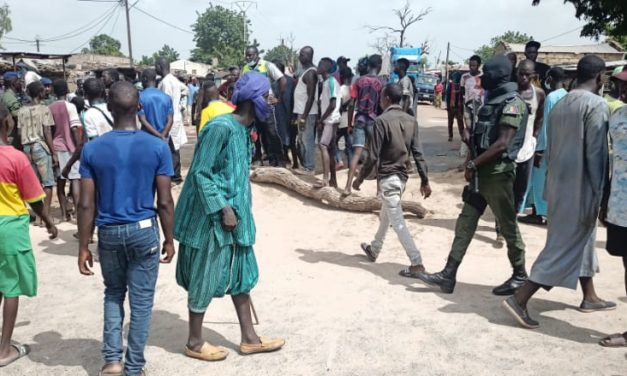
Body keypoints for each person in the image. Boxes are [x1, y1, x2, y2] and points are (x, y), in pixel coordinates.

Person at [174, 72, 285, 362]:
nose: (270, 103)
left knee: (242, 274)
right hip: (213, 219)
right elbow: (200, 173)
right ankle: (195, 341)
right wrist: (223, 208)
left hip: (238, 217)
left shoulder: (245, 131)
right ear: (253, 100)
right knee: (205, 274)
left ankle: (249, 338)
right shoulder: (220, 128)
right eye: (267, 98)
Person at [504, 55, 616, 329]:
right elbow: (596, 155)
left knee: (579, 238)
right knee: (564, 246)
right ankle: (520, 298)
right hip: (580, 187)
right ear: (600, 77)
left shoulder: (561, 102)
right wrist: (602, 195)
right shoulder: (597, 105)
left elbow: (550, 147)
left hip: (557, 185)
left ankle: (589, 296)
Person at [77, 81, 175, 376]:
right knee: (142, 303)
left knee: (113, 293)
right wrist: (170, 239)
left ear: (109, 108)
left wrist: (83, 245)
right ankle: (134, 367)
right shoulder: (158, 147)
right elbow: (166, 201)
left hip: (108, 231)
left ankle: (112, 361)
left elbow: (85, 205)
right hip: (144, 230)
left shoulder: (92, 150)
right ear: (140, 108)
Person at [417, 55, 528, 296]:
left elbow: (502, 144)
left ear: (498, 76)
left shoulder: (512, 103)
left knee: (508, 226)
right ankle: (448, 275)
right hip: (482, 175)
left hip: (497, 175)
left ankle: (520, 275)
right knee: (465, 222)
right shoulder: (494, 100)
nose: (481, 77)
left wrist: (473, 165)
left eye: (486, 73)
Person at [0, 103, 58, 368]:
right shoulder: (14, 158)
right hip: (10, 228)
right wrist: (48, 221)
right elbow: (35, 198)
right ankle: (4, 351)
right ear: (8, 123)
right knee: (10, 287)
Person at [355, 83, 431, 277]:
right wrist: (425, 180)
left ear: (387, 98)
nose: (380, 100)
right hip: (402, 178)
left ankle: (417, 262)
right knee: (386, 215)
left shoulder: (381, 121)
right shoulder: (410, 120)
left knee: (397, 221)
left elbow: (372, 156)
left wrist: (359, 179)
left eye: (381, 97)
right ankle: (375, 248)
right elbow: (418, 153)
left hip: (389, 177)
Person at [599, 69, 627, 348]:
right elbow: (611, 159)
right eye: (621, 84)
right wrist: (605, 199)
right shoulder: (617, 116)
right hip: (620, 204)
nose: (622, 90)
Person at [519, 67, 567, 225]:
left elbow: (545, 124)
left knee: (539, 182)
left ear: (550, 79)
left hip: (546, 147)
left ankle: (539, 213)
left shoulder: (551, 97)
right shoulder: (567, 96)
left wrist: (539, 150)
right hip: (561, 146)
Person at [343, 54, 385, 195]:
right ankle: (379, 191)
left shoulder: (359, 81)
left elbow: (351, 104)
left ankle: (347, 187)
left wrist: (350, 124)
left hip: (360, 120)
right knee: (378, 156)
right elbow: (383, 105)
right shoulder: (381, 83)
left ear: (368, 66)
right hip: (374, 121)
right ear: (379, 66)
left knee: (356, 154)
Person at [16, 81, 56, 225]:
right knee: (48, 183)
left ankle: (38, 217)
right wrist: (54, 153)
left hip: (27, 148)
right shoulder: (44, 109)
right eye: (43, 90)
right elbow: (47, 132)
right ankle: (46, 218)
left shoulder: (21, 110)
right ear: (40, 92)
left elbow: (20, 133)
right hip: (40, 147)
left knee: (35, 183)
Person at [242, 46, 287, 167]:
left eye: (250, 55)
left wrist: (278, 98)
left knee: (271, 132)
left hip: (266, 105)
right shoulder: (245, 68)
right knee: (255, 132)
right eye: (247, 55)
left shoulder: (267, 65)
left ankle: (278, 158)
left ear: (257, 54)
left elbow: (282, 79)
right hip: (252, 106)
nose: (248, 57)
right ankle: (257, 158)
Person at [512, 60, 545, 213]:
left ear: (533, 75)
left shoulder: (538, 94)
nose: (523, 78)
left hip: (527, 149)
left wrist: (534, 139)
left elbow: (539, 118)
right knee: (507, 189)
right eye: (521, 74)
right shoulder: (511, 92)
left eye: (527, 75)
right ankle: (502, 226)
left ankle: (512, 219)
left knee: (521, 189)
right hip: (508, 149)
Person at [49, 79, 82, 222]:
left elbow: (49, 130)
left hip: (57, 147)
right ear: (67, 90)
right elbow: (75, 128)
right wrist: (78, 145)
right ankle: (77, 213)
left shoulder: (50, 107)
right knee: (75, 179)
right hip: (71, 147)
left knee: (60, 182)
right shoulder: (71, 107)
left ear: (54, 92)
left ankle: (63, 215)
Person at [156, 57, 188, 185]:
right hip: (175, 117)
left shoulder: (166, 82)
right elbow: (185, 90)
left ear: (159, 66)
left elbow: (165, 102)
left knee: (172, 148)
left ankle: (175, 176)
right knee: (173, 148)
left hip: (170, 119)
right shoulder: (173, 80)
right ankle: (174, 174)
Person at [314, 58, 341, 188]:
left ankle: (325, 179)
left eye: (320, 64)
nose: (318, 66)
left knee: (323, 145)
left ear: (326, 67)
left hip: (330, 120)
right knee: (330, 149)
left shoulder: (331, 82)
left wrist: (321, 119)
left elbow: (333, 104)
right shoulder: (326, 82)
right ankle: (333, 181)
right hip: (330, 119)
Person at [293, 46, 319, 174]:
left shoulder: (310, 73)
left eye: (302, 54)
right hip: (303, 112)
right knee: (302, 139)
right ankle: (306, 166)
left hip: (307, 114)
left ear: (309, 56)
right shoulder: (306, 71)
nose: (300, 57)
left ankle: (310, 167)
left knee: (307, 140)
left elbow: (311, 96)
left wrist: (303, 115)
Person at [138, 68, 173, 141]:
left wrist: (159, 136)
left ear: (145, 78)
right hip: (164, 139)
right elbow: (170, 120)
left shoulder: (140, 97)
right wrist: (163, 135)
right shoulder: (167, 97)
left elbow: (143, 120)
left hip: (147, 138)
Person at [272, 60, 296, 165]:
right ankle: (283, 157)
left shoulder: (289, 82)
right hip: (280, 113)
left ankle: (290, 159)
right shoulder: (273, 82)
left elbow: (291, 99)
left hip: (287, 113)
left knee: (288, 138)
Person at [460, 55, 484, 135]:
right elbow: (462, 91)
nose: (471, 67)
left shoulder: (483, 77)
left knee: (478, 128)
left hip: (479, 107)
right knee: (468, 127)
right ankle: (469, 143)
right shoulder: (464, 77)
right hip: (467, 106)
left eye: (474, 65)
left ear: (479, 65)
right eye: (470, 65)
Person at [336, 67, 354, 170]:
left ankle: (339, 160)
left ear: (341, 77)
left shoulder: (341, 89)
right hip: (351, 119)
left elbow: (340, 107)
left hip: (342, 118)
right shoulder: (353, 88)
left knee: (334, 142)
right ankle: (352, 166)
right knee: (350, 145)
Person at [1, 72, 23, 147]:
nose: (21, 83)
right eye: (19, 81)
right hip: (13, 138)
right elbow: (19, 117)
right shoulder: (9, 98)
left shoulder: (8, 96)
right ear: (13, 82)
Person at [446, 71, 464, 142]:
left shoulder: (462, 86)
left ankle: (462, 136)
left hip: (459, 107)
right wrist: (447, 106)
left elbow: (463, 96)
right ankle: (450, 136)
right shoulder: (450, 85)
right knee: (450, 122)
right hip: (451, 107)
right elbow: (447, 96)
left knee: (460, 123)